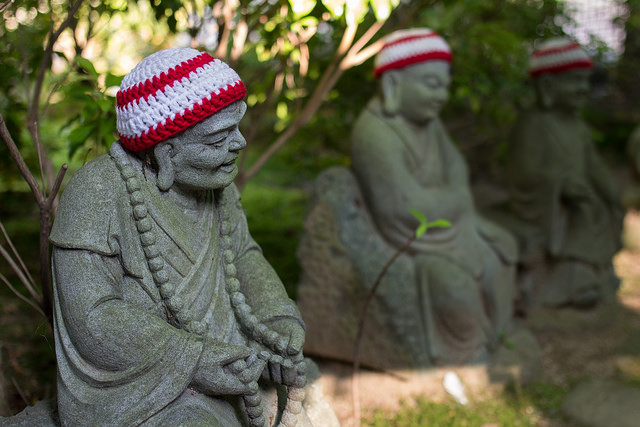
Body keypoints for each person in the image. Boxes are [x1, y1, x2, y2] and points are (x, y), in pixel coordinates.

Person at [50, 48, 308, 426]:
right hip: (140, 385)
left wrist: (278, 320)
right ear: (166, 152)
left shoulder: (219, 187)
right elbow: (92, 317)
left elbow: (245, 258)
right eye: (219, 138)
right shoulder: (98, 192)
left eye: (237, 127)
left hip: (232, 360)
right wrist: (194, 359)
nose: (239, 143)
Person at [350, 29, 518, 364]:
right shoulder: (374, 134)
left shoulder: (430, 123)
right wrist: (454, 198)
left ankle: (500, 334)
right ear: (393, 85)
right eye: (431, 84)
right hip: (411, 238)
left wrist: (453, 199)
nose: (442, 95)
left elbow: (457, 168)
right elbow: (406, 208)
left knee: (500, 251)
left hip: (450, 227)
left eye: (445, 84)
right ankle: (467, 351)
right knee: (456, 287)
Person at [502, 37, 623, 308]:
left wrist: (609, 190)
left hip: (580, 196)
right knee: (582, 215)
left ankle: (599, 273)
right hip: (548, 203)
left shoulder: (577, 126)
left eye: (585, 81)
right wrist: (559, 184)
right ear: (547, 86)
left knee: (601, 208)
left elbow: (593, 165)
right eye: (574, 81)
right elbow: (523, 172)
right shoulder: (532, 123)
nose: (582, 88)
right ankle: (575, 284)